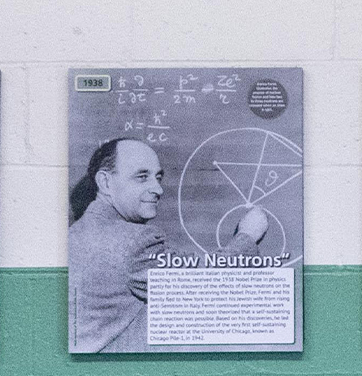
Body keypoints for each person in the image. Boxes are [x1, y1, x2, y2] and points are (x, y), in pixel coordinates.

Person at [65, 137, 268, 352]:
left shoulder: (73, 234)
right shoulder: (134, 243)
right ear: (105, 182)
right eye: (142, 177)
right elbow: (207, 284)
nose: (158, 189)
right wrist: (247, 236)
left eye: (158, 177)